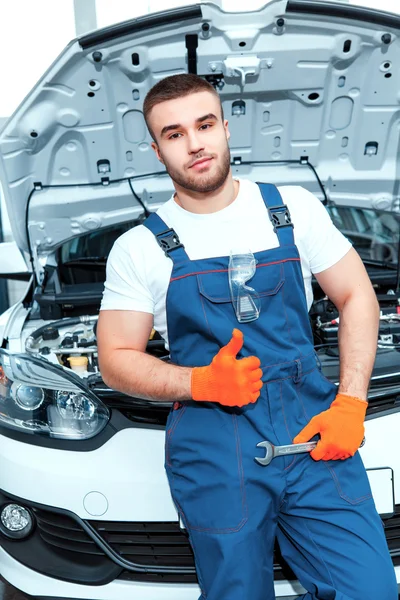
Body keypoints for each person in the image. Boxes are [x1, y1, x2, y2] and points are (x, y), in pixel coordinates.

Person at [97, 73, 397, 600]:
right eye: (174, 134)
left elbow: (357, 296)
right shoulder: (138, 248)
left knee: (370, 589)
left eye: (204, 124)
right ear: (156, 148)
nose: (194, 144)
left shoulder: (292, 208)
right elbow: (115, 358)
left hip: (315, 436)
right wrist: (200, 382)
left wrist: (351, 402)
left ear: (226, 128)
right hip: (216, 451)